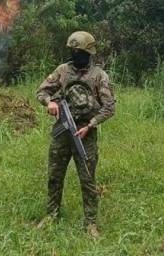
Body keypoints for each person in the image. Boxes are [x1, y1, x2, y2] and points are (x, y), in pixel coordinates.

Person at [35, 31, 116, 237]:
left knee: (87, 179)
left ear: (89, 53)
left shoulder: (99, 76)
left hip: (85, 132)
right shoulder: (62, 70)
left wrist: (91, 124)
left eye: (79, 52)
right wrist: (50, 102)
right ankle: (51, 215)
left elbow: (109, 107)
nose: (75, 55)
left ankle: (90, 223)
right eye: (72, 51)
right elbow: (42, 92)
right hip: (62, 131)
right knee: (55, 175)